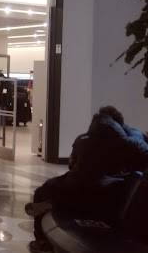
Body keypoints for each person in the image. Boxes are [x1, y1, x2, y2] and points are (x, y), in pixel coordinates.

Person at [26, 106, 148, 253]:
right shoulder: (123, 140)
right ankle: (62, 204)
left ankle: (41, 241)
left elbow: (71, 164)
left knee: (41, 192)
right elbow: (143, 155)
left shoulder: (82, 138)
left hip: (72, 185)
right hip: (103, 193)